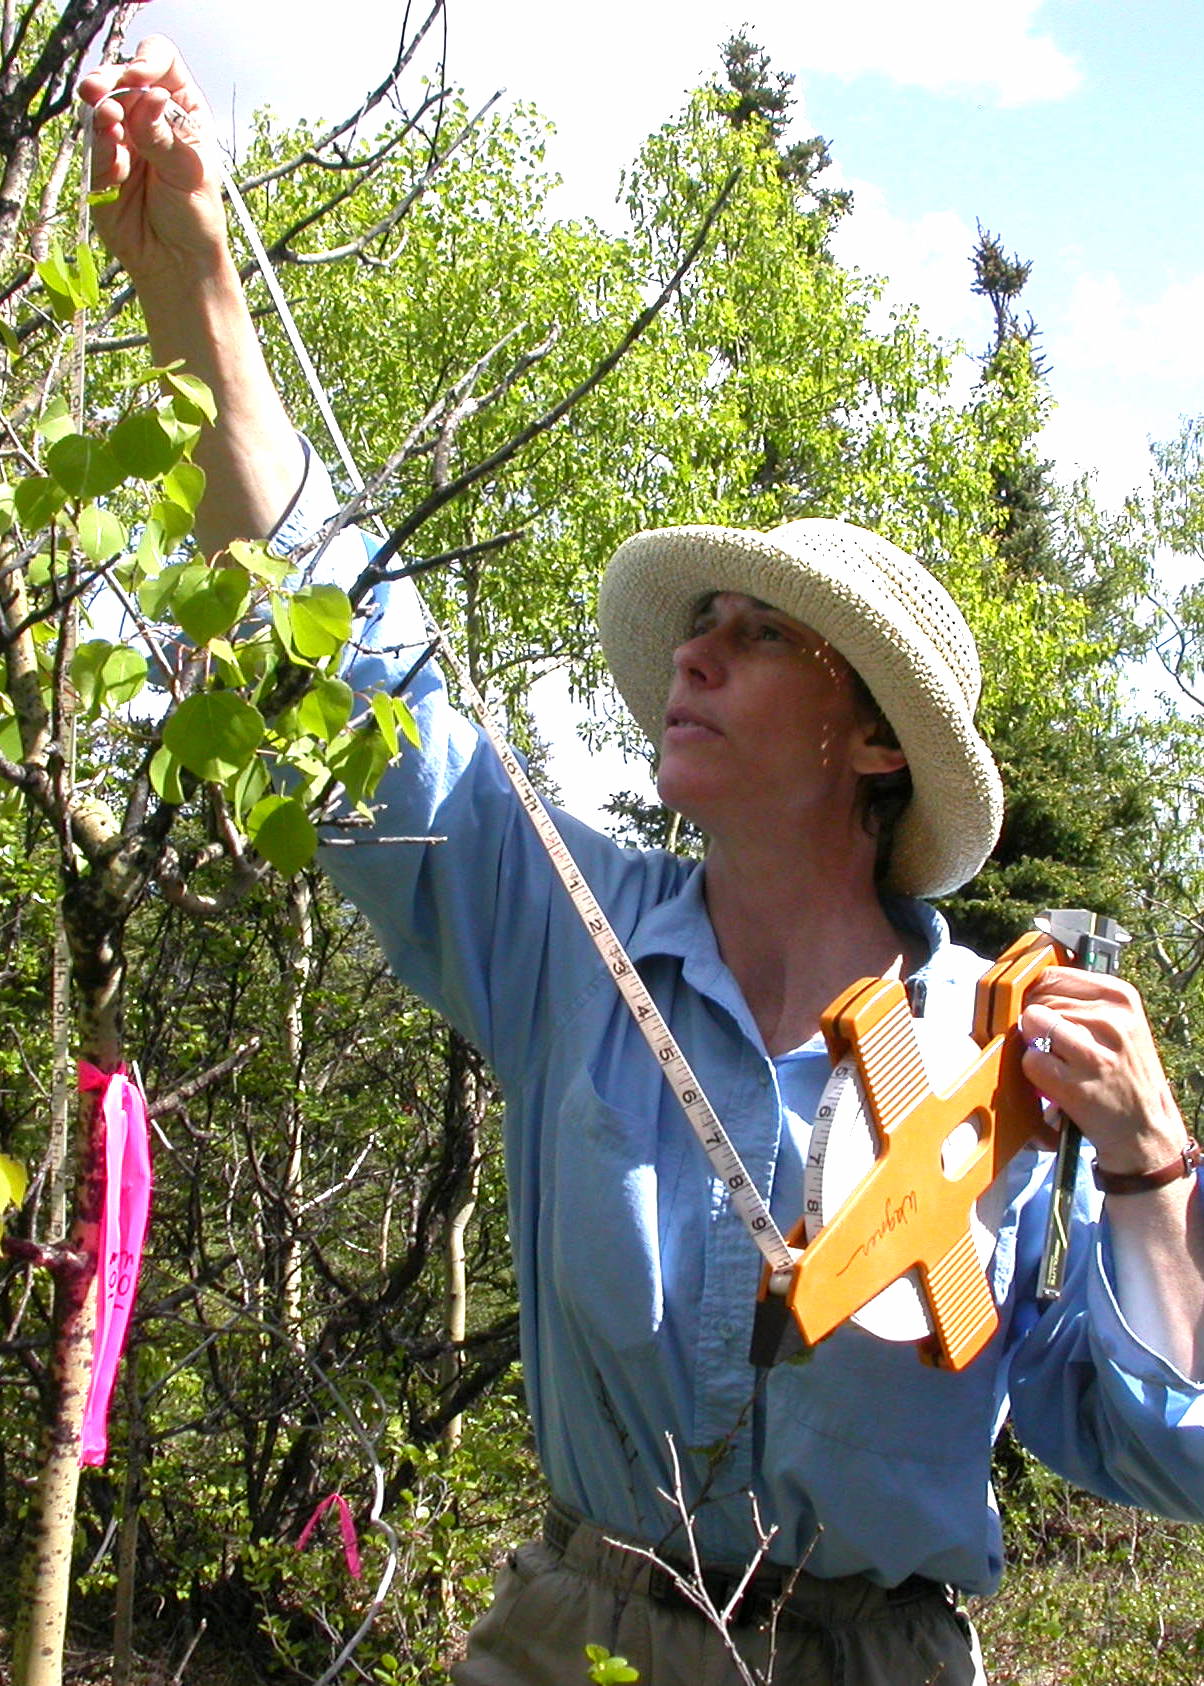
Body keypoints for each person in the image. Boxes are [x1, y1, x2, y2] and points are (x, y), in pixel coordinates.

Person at [80, 40, 1204, 1686]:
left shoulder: (992, 1057)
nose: (695, 658)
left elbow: (1159, 1455)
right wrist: (201, 298)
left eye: (757, 639)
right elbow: (345, 679)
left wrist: (1151, 1174)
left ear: (871, 739)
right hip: (572, 1640)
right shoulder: (568, 934)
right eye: (696, 629)